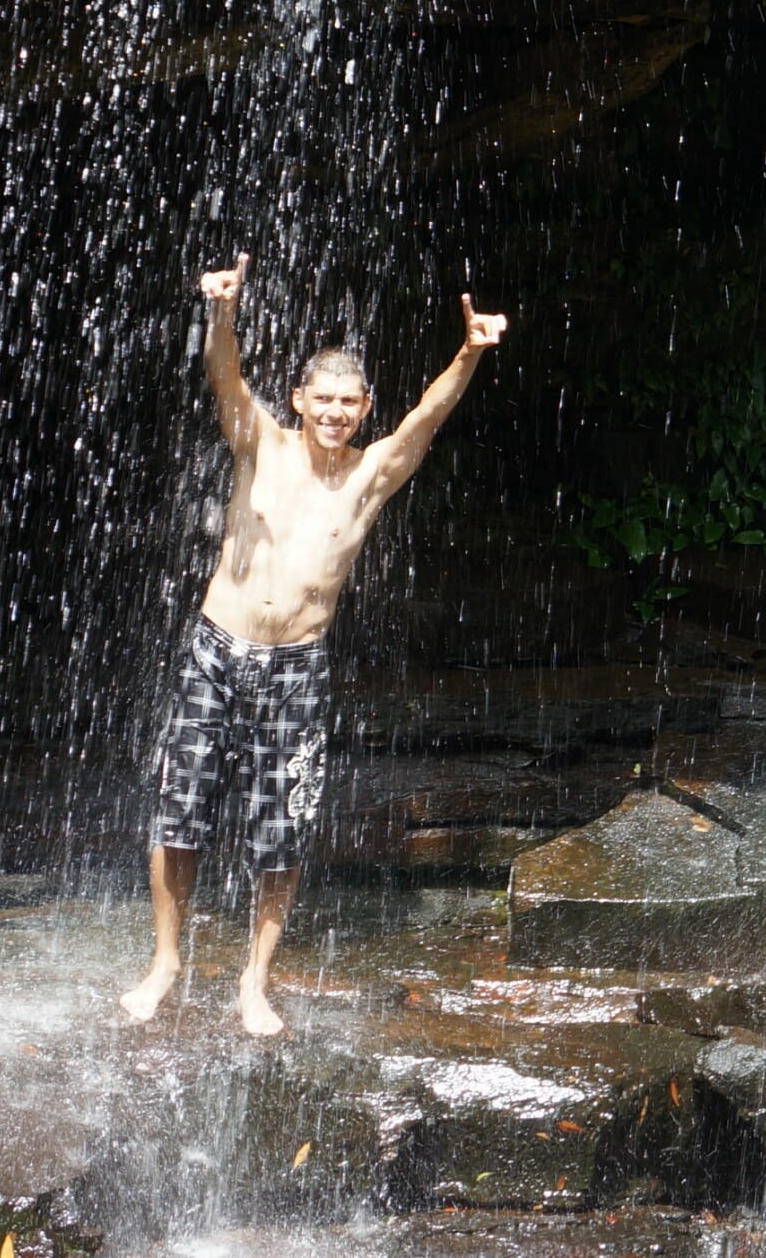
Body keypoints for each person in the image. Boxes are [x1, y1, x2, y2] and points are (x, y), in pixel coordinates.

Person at [120, 254, 508, 1034]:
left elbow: (425, 420)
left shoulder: (371, 475)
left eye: (348, 402)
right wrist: (222, 314)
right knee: (178, 812)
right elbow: (224, 378)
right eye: (321, 399)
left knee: (284, 827)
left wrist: (468, 352)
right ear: (298, 399)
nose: (334, 412)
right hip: (217, 649)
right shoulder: (260, 441)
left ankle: (254, 984)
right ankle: (166, 963)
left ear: (365, 408)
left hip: (298, 667)